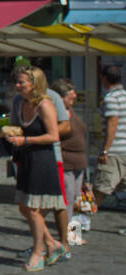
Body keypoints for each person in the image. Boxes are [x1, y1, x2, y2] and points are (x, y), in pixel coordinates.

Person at [8, 67, 68, 270]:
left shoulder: (45, 105)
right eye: (17, 82)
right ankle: (52, 243)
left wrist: (25, 139)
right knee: (24, 207)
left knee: (34, 210)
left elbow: (54, 135)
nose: (17, 85)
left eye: (22, 82)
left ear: (34, 84)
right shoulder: (22, 103)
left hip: (42, 159)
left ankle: (37, 253)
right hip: (27, 158)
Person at [51, 78, 88, 223]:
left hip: (79, 161)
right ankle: (68, 234)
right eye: (69, 95)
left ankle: (71, 233)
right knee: (69, 197)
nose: (74, 97)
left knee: (76, 198)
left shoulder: (71, 110)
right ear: (60, 98)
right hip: (66, 161)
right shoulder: (56, 114)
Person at [95, 64, 126, 208]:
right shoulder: (124, 96)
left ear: (104, 78)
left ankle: (79, 225)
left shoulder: (110, 98)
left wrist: (105, 149)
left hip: (115, 152)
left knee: (99, 189)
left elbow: (112, 123)